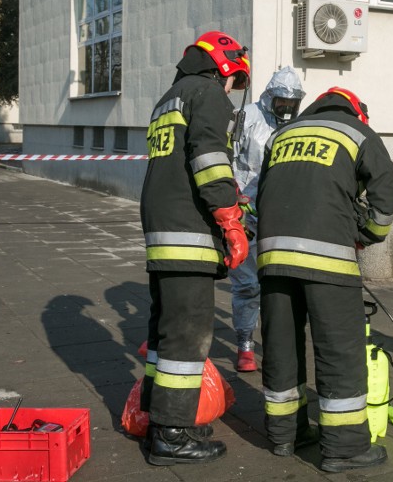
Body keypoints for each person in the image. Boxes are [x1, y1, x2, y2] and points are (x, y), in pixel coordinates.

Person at [256, 87, 393, 472]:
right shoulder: (357, 133)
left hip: (272, 257)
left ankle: (284, 434)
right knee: (339, 349)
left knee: (281, 344)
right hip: (327, 260)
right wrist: (369, 234)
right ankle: (344, 448)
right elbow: (386, 188)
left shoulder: (283, 135)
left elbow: (262, 192)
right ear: (358, 112)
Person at [139, 31, 251, 465]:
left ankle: (161, 416)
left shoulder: (169, 97)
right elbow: (209, 158)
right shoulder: (207, 93)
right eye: (233, 80)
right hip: (188, 233)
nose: (231, 90)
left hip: (162, 230)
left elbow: (179, 166)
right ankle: (172, 434)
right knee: (188, 337)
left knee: (164, 332)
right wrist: (228, 216)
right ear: (223, 66)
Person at [229, 66, 305, 372]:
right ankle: (245, 344)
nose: (286, 109)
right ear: (269, 98)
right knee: (246, 284)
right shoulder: (245, 117)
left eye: (292, 104)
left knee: (278, 283)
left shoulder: (298, 125)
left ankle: (276, 341)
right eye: (281, 103)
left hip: (281, 214)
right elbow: (227, 156)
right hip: (247, 212)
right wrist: (233, 196)